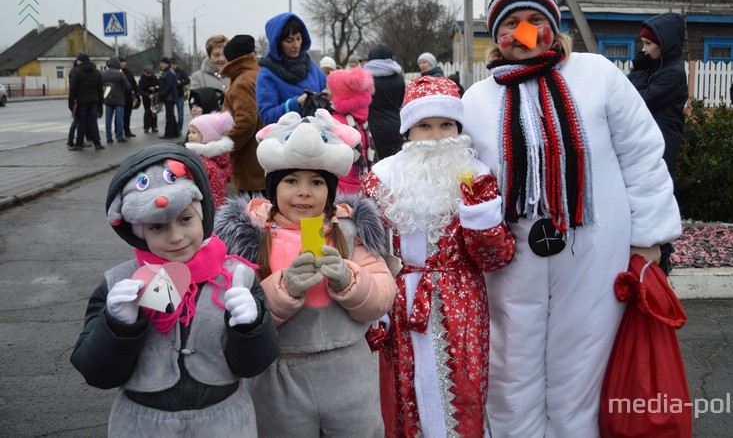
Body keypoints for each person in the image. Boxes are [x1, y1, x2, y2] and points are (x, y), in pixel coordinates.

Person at [460, 0, 682, 436]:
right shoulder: (477, 99)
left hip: (595, 254)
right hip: (511, 259)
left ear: (555, 26)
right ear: (496, 37)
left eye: (535, 21)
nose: (523, 33)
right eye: (512, 24)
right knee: (509, 369)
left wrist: (649, 241)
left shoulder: (597, 74)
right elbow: (458, 173)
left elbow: (642, 155)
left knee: (582, 367)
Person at [70, 143, 280, 436]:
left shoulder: (238, 277)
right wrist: (117, 325)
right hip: (143, 425)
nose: (176, 237)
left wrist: (252, 327)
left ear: (202, 216)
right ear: (138, 232)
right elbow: (97, 372)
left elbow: (254, 365)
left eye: (185, 219)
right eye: (157, 227)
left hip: (224, 423)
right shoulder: (119, 283)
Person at [215, 109, 396, 437]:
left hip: (347, 372)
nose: (304, 191)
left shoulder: (351, 230)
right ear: (273, 187)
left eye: (316, 182)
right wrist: (284, 288)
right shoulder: (252, 237)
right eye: (291, 181)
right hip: (279, 376)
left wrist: (349, 278)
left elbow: (382, 296)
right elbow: (239, 315)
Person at [363, 76, 516, 437]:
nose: (436, 136)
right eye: (424, 126)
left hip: (460, 301)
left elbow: (495, 257)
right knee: (403, 390)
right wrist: (374, 307)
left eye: (446, 125)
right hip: (400, 300)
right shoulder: (382, 178)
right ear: (408, 131)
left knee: (462, 388)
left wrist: (480, 214)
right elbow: (368, 248)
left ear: (458, 128)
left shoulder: (475, 176)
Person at [629, 12, 689, 274]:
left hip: (663, 141)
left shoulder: (673, 73)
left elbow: (638, 100)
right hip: (651, 139)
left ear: (664, 44)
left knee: (658, 195)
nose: (644, 50)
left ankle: (663, 257)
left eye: (649, 45)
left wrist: (640, 71)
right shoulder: (659, 67)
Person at [256, 12, 327, 125]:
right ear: (277, 43)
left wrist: (330, 92)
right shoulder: (267, 74)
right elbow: (267, 116)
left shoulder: (310, 64)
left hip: (319, 136)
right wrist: (296, 103)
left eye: (299, 38)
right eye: (289, 41)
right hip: (287, 139)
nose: (296, 45)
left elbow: (327, 88)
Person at [221, 35, 266, 196]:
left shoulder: (242, 81)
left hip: (249, 162)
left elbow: (245, 121)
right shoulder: (259, 73)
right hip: (263, 155)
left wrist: (226, 145)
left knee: (252, 213)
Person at [326, 66, 375, 194]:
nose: (326, 92)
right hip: (360, 186)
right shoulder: (361, 119)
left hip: (340, 189)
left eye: (330, 89)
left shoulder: (334, 122)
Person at [363, 43, 405, 159]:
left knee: (375, 168)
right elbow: (400, 101)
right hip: (395, 126)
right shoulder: (399, 77)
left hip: (371, 127)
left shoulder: (365, 78)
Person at [186, 111, 234, 210]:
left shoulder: (202, 161)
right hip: (220, 204)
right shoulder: (220, 157)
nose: (189, 135)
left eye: (194, 132)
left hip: (208, 207)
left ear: (208, 135)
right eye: (190, 132)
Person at [68, 53, 105, 151]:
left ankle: (79, 145)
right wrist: (100, 102)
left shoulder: (78, 72)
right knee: (93, 122)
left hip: (81, 102)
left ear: (81, 61)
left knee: (81, 123)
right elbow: (100, 89)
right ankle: (97, 144)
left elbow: (73, 89)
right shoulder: (96, 72)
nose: (77, 61)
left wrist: (71, 102)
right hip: (94, 101)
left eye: (78, 60)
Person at [190, 35, 231, 117]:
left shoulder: (236, 76)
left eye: (224, 54)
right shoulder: (198, 78)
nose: (222, 59)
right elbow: (195, 107)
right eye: (216, 55)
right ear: (209, 56)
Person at [101, 56, 132, 144]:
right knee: (119, 119)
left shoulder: (103, 73)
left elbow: (100, 85)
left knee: (108, 119)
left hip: (108, 99)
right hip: (119, 100)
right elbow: (128, 87)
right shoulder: (121, 74)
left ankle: (109, 137)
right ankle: (119, 137)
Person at [158, 57, 180, 139]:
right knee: (171, 115)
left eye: (163, 64)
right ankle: (175, 132)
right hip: (169, 97)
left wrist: (162, 94)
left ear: (167, 64)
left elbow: (169, 86)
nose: (161, 65)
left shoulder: (169, 73)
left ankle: (168, 133)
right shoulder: (167, 71)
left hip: (169, 97)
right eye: (161, 63)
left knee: (169, 116)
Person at [118, 56, 139, 138]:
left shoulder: (129, 72)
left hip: (129, 96)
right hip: (120, 96)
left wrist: (137, 92)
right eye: (121, 62)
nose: (123, 63)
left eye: (124, 62)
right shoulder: (118, 72)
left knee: (127, 115)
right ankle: (118, 131)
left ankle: (127, 131)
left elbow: (133, 83)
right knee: (119, 115)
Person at [138, 65, 159, 134]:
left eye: (150, 73)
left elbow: (159, 85)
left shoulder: (154, 78)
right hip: (146, 97)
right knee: (147, 111)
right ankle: (146, 127)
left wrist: (155, 89)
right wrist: (148, 95)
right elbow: (140, 90)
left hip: (154, 97)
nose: (149, 75)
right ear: (145, 73)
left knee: (154, 111)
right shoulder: (142, 79)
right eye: (148, 73)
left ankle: (154, 126)